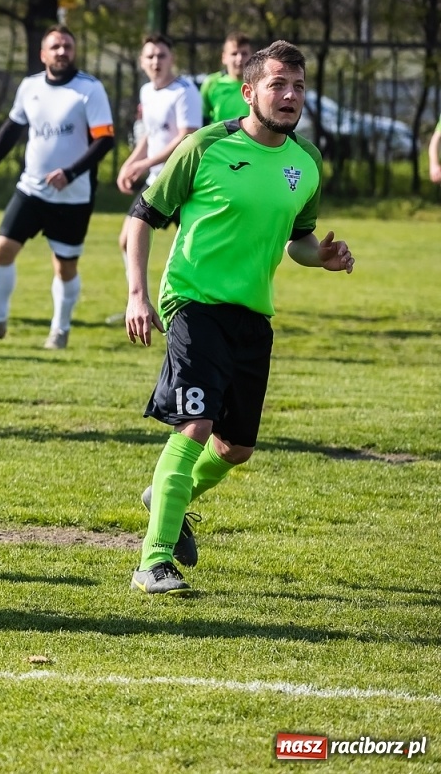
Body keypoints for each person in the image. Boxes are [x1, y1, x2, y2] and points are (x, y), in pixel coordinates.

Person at [125, 40, 353, 595]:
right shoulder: (206, 146)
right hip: (194, 302)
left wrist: (319, 257)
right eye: (278, 85)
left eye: (298, 86)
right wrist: (137, 294)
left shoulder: (306, 162)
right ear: (249, 91)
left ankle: (168, 499)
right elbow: (140, 218)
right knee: (196, 426)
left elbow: (297, 240)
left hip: (253, 313)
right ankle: (152, 561)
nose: (290, 96)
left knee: (235, 449)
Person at [0, 26, 114, 350]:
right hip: (31, 189)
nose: (62, 51)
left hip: (73, 195)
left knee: (65, 265)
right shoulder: (30, 86)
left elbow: (105, 139)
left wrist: (71, 173)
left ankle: (59, 331)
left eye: (67, 46)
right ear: (43, 54)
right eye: (55, 46)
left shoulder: (89, 89)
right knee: (2, 249)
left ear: (74, 52)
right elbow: (11, 130)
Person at [108, 35, 201, 322]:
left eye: (161, 55)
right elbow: (150, 134)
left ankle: (194, 306)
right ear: (141, 61)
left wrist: (145, 163)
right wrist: (130, 163)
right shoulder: (147, 91)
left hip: (185, 183)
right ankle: (138, 303)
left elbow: (187, 136)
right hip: (156, 182)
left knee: (193, 248)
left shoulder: (185, 92)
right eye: (150, 56)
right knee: (127, 239)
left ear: (172, 59)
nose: (156, 61)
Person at [200, 33, 250, 125]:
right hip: (219, 138)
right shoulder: (211, 82)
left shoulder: (258, 83)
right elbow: (203, 118)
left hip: (249, 138)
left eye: (244, 53)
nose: (239, 58)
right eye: (234, 54)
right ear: (224, 58)